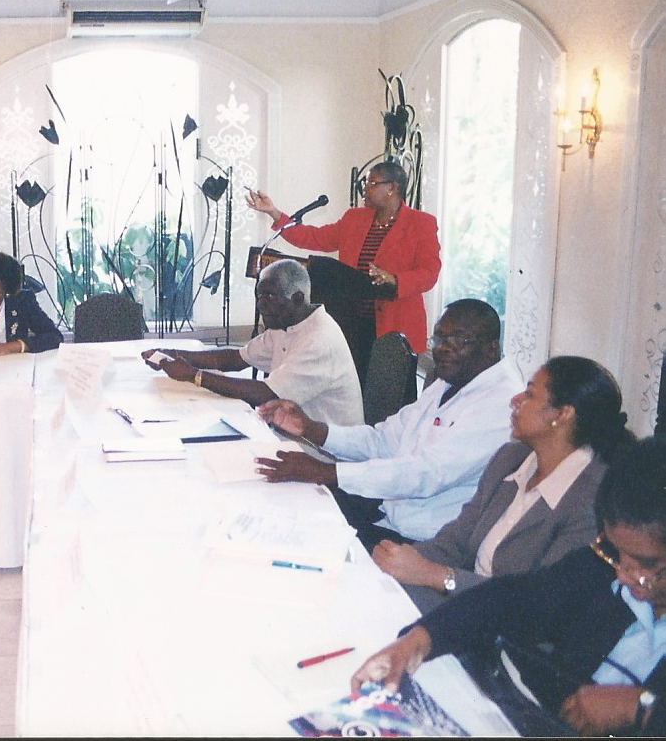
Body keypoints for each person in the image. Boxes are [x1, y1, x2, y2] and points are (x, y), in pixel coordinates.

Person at [351, 436, 666, 737]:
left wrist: (642, 708)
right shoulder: (602, 566)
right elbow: (512, 600)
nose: (623, 574)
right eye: (615, 552)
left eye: (647, 564)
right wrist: (418, 641)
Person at [374, 355, 635, 613]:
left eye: (529, 394)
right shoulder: (510, 459)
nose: (515, 400)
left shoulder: (591, 500)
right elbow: (455, 541)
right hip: (465, 603)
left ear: (563, 415)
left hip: (509, 627)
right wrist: (393, 561)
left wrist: (437, 575)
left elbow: (538, 600)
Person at [255, 298, 523, 548]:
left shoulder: (502, 403)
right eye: (440, 338)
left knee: (302, 542)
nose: (443, 348)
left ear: (492, 348)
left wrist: (328, 472)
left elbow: (426, 474)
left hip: (427, 542)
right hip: (390, 513)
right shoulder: (452, 382)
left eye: (459, 340)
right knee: (280, 511)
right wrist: (312, 429)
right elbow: (382, 440)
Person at [245, 160, 440, 378]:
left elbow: (430, 272)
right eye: (366, 183)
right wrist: (274, 213)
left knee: (389, 388)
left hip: (395, 322)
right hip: (351, 320)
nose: (365, 189)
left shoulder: (421, 223)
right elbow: (315, 237)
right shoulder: (355, 218)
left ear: (392, 188)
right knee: (354, 380)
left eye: (372, 183)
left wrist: (395, 280)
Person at [140, 259, 363, 423]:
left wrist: (193, 375)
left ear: (298, 298)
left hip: (324, 453)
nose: (261, 305)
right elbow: (236, 359)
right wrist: (172, 354)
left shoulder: (318, 339)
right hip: (290, 436)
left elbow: (265, 394)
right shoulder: (285, 323)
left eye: (270, 296)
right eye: (259, 296)